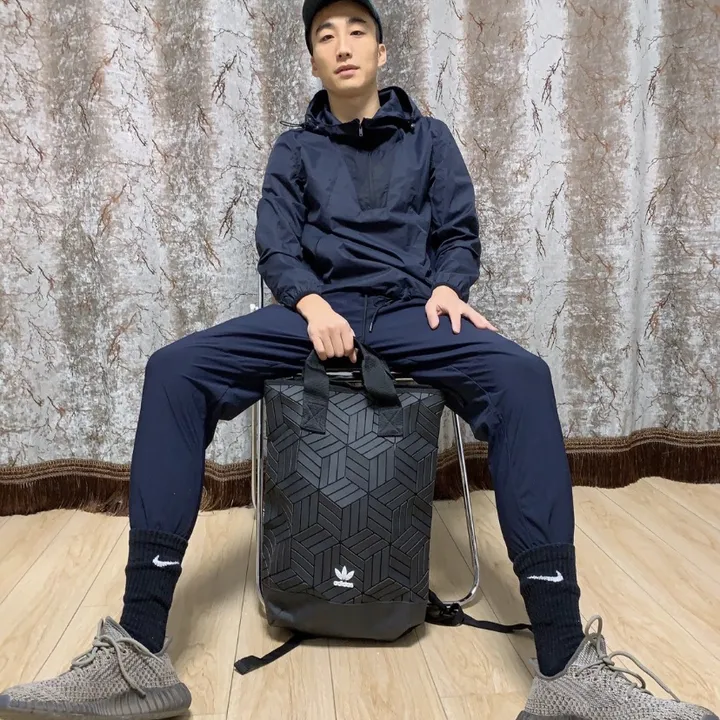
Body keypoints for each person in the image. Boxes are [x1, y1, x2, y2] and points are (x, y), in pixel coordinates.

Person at [1, 1, 716, 719]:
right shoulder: (294, 149)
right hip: (317, 312)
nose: (341, 44)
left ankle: (565, 671)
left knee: (524, 377)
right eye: (325, 35)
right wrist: (312, 304)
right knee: (174, 370)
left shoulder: (431, 139)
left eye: (356, 32)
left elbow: (458, 234)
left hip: (411, 312)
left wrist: (448, 285)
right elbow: (277, 245)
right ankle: (136, 653)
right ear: (313, 59)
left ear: (381, 51)